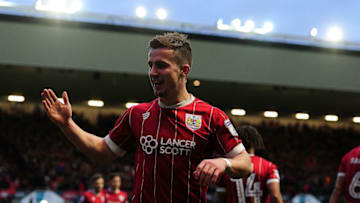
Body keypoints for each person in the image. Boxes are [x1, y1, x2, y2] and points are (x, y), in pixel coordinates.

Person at [41, 32, 253, 203]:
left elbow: (245, 164)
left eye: (161, 65)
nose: (152, 72)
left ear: (184, 71)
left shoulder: (211, 116)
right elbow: (103, 153)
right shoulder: (137, 114)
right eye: (150, 65)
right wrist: (67, 124)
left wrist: (224, 163)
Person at [216, 125, 283, 203]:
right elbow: (275, 196)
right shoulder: (269, 166)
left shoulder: (227, 166)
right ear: (255, 142)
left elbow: (220, 197)